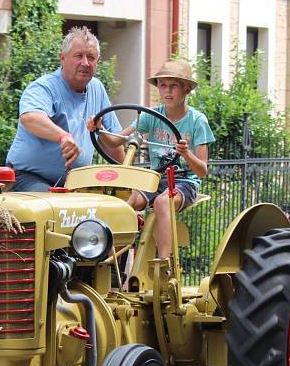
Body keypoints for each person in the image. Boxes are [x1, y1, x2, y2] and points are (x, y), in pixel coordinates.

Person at [90, 59, 212, 259]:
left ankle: (164, 264)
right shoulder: (152, 115)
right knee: (126, 204)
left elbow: (202, 171)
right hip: (156, 179)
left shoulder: (197, 121)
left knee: (163, 203)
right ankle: (109, 260)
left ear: (186, 89)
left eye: (174, 86)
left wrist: (186, 154)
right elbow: (114, 141)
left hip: (184, 182)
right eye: (163, 85)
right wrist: (98, 129)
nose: (168, 91)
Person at [5, 26, 123, 191]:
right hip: (27, 177)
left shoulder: (97, 89)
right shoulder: (44, 87)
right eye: (78, 56)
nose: (85, 63)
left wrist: (124, 178)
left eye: (91, 57)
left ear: (98, 61)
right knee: (52, 209)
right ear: (62, 58)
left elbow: (114, 141)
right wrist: (63, 137)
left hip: (76, 182)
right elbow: (30, 118)